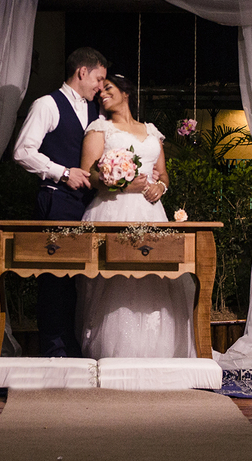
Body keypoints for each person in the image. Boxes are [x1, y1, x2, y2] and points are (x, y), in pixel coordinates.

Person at [76, 73, 197, 359]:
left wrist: (160, 186)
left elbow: (163, 172)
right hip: (113, 209)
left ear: (125, 92)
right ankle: (113, 351)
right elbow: (90, 174)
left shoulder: (152, 131)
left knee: (155, 278)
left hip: (150, 212)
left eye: (108, 89)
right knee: (115, 279)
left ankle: (158, 349)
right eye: (100, 91)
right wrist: (124, 183)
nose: (102, 94)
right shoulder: (99, 129)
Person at [13, 47, 112, 357]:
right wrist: (62, 172)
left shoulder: (97, 112)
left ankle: (74, 346)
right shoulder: (47, 105)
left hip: (89, 204)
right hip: (56, 200)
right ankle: (54, 350)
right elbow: (22, 151)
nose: (101, 86)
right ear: (82, 72)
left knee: (81, 281)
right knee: (55, 279)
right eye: (99, 78)